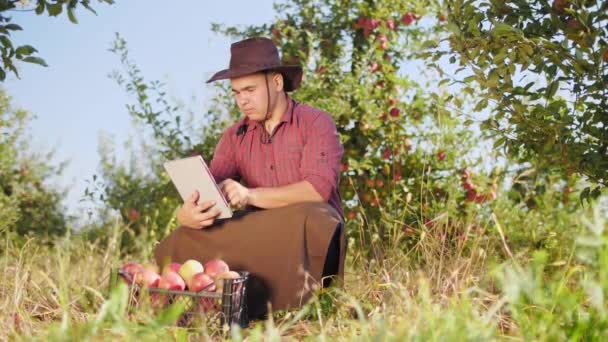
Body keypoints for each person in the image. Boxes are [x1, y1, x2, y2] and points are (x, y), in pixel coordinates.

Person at [154, 37, 346, 319]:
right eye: (235, 93)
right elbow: (211, 192)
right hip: (258, 233)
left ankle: (291, 303)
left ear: (277, 83)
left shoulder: (316, 122)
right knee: (184, 236)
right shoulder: (234, 136)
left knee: (312, 215)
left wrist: (249, 195)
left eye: (250, 89)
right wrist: (188, 215)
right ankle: (190, 302)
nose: (242, 100)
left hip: (304, 228)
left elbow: (318, 189)